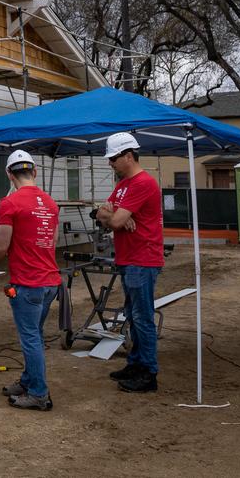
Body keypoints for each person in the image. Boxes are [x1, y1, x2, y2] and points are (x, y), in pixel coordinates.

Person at [0, 150, 61, 411]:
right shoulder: (50, 203)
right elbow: (53, 242)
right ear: (34, 172)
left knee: (30, 338)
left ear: (9, 174)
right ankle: (28, 381)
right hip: (49, 282)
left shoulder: (10, 203)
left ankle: (39, 393)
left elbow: (1, 245)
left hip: (28, 283)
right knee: (35, 334)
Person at [93, 132, 164, 393]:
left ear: (128, 156)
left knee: (142, 317)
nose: (110, 163)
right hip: (130, 258)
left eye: (113, 158)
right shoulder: (124, 185)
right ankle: (136, 362)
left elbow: (113, 221)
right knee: (133, 315)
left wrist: (114, 216)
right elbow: (101, 211)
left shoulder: (141, 184)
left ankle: (148, 372)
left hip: (142, 259)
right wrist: (111, 214)